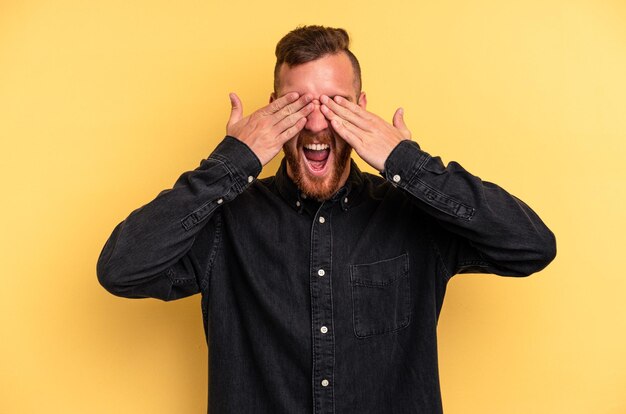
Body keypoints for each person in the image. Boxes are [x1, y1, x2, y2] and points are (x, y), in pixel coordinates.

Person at [97, 25, 556, 414]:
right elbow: (121, 268)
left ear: (362, 108)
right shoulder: (225, 224)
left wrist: (407, 163)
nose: (317, 124)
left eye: (336, 103)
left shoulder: (414, 214)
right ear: (271, 109)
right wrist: (231, 165)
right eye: (298, 104)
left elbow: (531, 246)